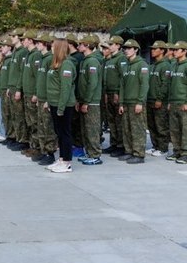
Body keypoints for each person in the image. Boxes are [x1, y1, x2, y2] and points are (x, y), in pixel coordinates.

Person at [44, 38, 77, 173]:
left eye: (53, 46)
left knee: (65, 133)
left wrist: (61, 107)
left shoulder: (67, 64)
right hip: (54, 103)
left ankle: (67, 162)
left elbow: (66, 88)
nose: (51, 48)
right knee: (59, 132)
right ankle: (62, 158)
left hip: (63, 104)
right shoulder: (56, 63)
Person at [118, 39, 150, 164]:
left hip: (136, 102)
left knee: (137, 129)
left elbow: (144, 85)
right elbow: (122, 86)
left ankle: (139, 154)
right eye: (125, 48)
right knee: (127, 128)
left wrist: (140, 102)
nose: (126, 50)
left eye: (130, 48)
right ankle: (129, 151)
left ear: (136, 50)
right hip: (126, 102)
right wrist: (121, 103)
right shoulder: (126, 66)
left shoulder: (141, 65)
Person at [166, 41, 187, 164]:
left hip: (184, 102)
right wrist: (170, 101)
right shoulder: (174, 65)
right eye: (173, 50)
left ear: (184, 51)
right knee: (174, 129)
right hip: (174, 102)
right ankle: (177, 151)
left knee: (186, 129)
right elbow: (170, 85)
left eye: (176, 50)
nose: (173, 52)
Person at [76, 35, 104, 165]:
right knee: (85, 129)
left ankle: (95, 155)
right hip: (84, 100)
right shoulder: (85, 60)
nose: (78, 46)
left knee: (92, 129)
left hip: (91, 102)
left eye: (81, 44)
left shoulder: (92, 62)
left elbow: (92, 84)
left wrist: (86, 101)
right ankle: (89, 152)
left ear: (87, 46)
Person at [102, 35, 127, 157]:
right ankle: (113, 143)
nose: (109, 47)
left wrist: (118, 93)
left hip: (116, 93)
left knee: (119, 121)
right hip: (109, 93)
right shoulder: (110, 59)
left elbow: (123, 78)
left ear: (118, 45)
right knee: (111, 121)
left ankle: (121, 145)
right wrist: (107, 93)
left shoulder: (121, 59)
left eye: (111, 45)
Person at [146, 41, 171, 157]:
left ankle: (163, 147)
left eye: (155, 49)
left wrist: (160, 99)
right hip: (150, 99)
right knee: (152, 125)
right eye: (152, 49)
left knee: (161, 125)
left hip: (159, 100)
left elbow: (165, 84)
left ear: (162, 50)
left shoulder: (165, 65)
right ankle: (155, 145)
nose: (152, 51)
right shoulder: (152, 66)